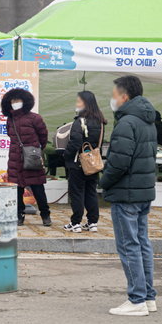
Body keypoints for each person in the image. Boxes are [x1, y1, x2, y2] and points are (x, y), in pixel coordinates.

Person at [99, 75, 157, 316]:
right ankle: (148, 297)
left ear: (124, 96)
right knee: (142, 243)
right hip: (143, 191)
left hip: (126, 193)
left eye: (114, 94)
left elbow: (119, 162)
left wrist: (104, 182)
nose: (112, 99)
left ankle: (136, 300)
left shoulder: (127, 123)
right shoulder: (148, 120)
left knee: (129, 245)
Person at [2, 88, 51, 227]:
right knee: (17, 190)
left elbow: (43, 137)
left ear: (25, 101)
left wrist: (34, 150)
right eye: (13, 101)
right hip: (15, 159)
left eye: (18, 100)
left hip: (31, 158)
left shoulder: (35, 118)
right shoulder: (9, 119)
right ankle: (19, 215)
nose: (15, 103)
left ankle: (45, 214)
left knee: (38, 188)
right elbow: (10, 136)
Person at [62, 91, 106, 233]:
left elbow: (75, 142)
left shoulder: (80, 121)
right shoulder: (100, 122)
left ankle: (76, 223)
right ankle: (92, 222)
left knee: (77, 193)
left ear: (86, 103)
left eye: (79, 101)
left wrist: (66, 155)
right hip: (93, 163)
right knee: (91, 192)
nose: (77, 103)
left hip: (78, 163)